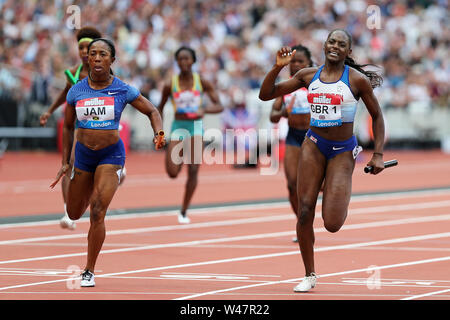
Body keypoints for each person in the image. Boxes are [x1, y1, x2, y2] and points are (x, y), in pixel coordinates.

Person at [259, 29, 385, 292]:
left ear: (348, 51)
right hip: (313, 145)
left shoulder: (357, 80)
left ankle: (337, 189)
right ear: (325, 45)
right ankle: (309, 274)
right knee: (305, 211)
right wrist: (276, 67)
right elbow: (266, 94)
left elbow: (378, 117)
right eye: (331, 42)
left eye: (341, 44)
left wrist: (378, 155)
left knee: (332, 223)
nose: (335, 46)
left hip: (341, 151)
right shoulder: (307, 75)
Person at [51, 38, 165, 287]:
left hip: (110, 155)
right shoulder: (76, 90)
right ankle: (97, 183)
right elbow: (69, 127)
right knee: (72, 212)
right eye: (93, 54)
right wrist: (64, 162)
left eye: (103, 54)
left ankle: (89, 270)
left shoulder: (123, 89)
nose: (98, 58)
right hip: (83, 155)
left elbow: (152, 111)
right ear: (88, 59)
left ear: (112, 60)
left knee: (98, 211)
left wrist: (159, 133)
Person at [40, 27, 102, 231]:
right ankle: (68, 211)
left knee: (95, 170)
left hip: (102, 126)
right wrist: (49, 111)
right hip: (77, 125)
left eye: (88, 48)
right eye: (81, 48)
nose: (84, 52)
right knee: (68, 165)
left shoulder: (104, 73)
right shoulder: (72, 74)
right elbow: (63, 96)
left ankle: (118, 171)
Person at [157, 46, 223, 224]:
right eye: (180, 59)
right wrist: (159, 133)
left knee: (193, 170)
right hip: (178, 127)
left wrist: (204, 109)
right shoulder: (170, 84)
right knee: (172, 172)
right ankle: (180, 158)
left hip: (195, 128)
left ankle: (184, 210)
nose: (184, 62)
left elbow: (219, 106)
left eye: (187, 59)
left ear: (193, 61)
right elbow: (159, 109)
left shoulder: (201, 81)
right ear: (177, 62)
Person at [269, 45, 313, 242]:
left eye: (300, 61)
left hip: (314, 137)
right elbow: (273, 116)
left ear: (309, 64)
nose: (295, 65)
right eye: (293, 61)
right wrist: (283, 113)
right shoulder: (285, 87)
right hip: (294, 136)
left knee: (314, 185)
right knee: (291, 184)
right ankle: (302, 224)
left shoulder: (317, 83)